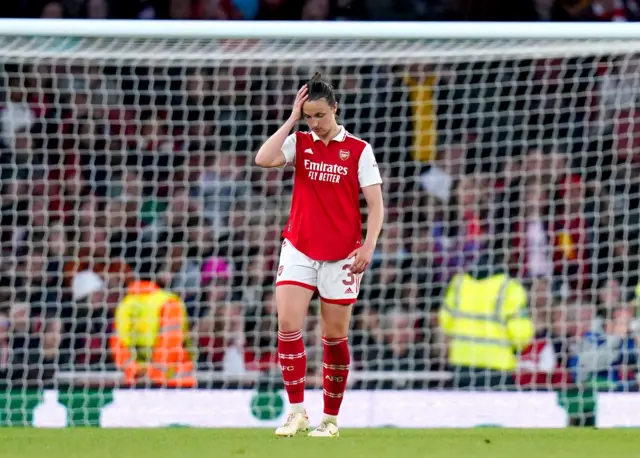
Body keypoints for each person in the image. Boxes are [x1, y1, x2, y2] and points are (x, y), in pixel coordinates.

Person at [255, 73, 384, 437]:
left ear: (335, 109)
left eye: (320, 115)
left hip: (343, 254)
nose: (316, 123)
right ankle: (297, 412)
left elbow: (375, 205)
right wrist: (292, 118)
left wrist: (369, 244)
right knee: (288, 325)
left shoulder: (359, 150)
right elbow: (263, 159)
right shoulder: (300, 142)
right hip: (299, 245)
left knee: (333, 337)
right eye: (309, 116)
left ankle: (330, 419)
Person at [109, 279, 196, 388]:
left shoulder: (124, 305)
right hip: (176, 382)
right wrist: (153, 375)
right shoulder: (168, 302)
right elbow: (170, 345)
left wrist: (135, 371)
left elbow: (118, 346)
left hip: (137, 383)